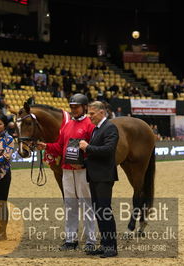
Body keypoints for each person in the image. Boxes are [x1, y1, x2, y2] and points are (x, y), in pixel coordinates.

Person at [37, 93, 97, 252]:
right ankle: (71, 239)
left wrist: (84, 162)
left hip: (83, 170)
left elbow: (94, 149)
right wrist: (46, 146)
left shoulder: (90, 125)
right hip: (67, 170)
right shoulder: (67, 125)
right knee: (70, 205)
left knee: (87, 205)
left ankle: (91, 239)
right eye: (71, 107)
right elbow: (59, 147)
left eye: (76, 107)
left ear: (84, 107)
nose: (73, 109)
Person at [79, 101, 119, 258]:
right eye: (88, 114)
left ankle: (111, 247)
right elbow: (96, 153)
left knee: (105, 210)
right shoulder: (97, 129)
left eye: (92, 114)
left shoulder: (110, 127)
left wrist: (87, 147)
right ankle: (105, 244)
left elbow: (109, 151)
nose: (89, 117)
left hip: (104, 176)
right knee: (99, 211)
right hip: (95, 176)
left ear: (102, 112)